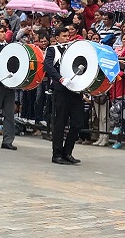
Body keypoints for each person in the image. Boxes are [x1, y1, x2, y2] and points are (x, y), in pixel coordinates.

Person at [43, 28, 83, 164]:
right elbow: (48, 66)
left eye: (68, 35)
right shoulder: (52, 50)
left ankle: (68, 152)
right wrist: (60, 78)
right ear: (57, 37)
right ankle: (57, 154)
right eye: (64, 36)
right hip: (61, 90)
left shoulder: (73, 49)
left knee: (77, 123)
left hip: (75, 90)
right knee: (60, 122)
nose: (67, 38)